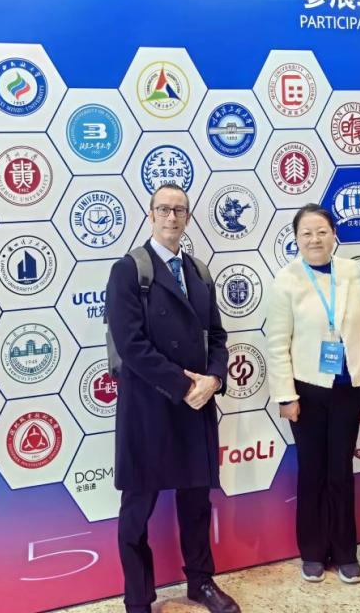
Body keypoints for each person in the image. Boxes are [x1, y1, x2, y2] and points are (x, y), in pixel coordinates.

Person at [105, 184, 240, 613]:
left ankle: (201, 583)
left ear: (187, 218)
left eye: (179, 210)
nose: (171, 217)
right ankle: (137, 598)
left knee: (196, 502)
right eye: (163, 209)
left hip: (195, 407)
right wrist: (185, 386)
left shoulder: (199, 272)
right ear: (151, 214)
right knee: (136, 510)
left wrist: (214, 379)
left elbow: (217, 336)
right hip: (148, 407)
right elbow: (131, 345)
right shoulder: (129, 270)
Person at [265, 204, 360, 585]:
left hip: (349, 388)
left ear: (334, 234)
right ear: (296, 238)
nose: (315, 239)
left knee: (341, 471)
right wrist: (285, 396)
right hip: (306, 391)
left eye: (322, 231)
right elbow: (277, 343)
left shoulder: (354, 272)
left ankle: (345, 552)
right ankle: (312, 552)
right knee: (312, 472)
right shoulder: (287, 280)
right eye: (307, 233)